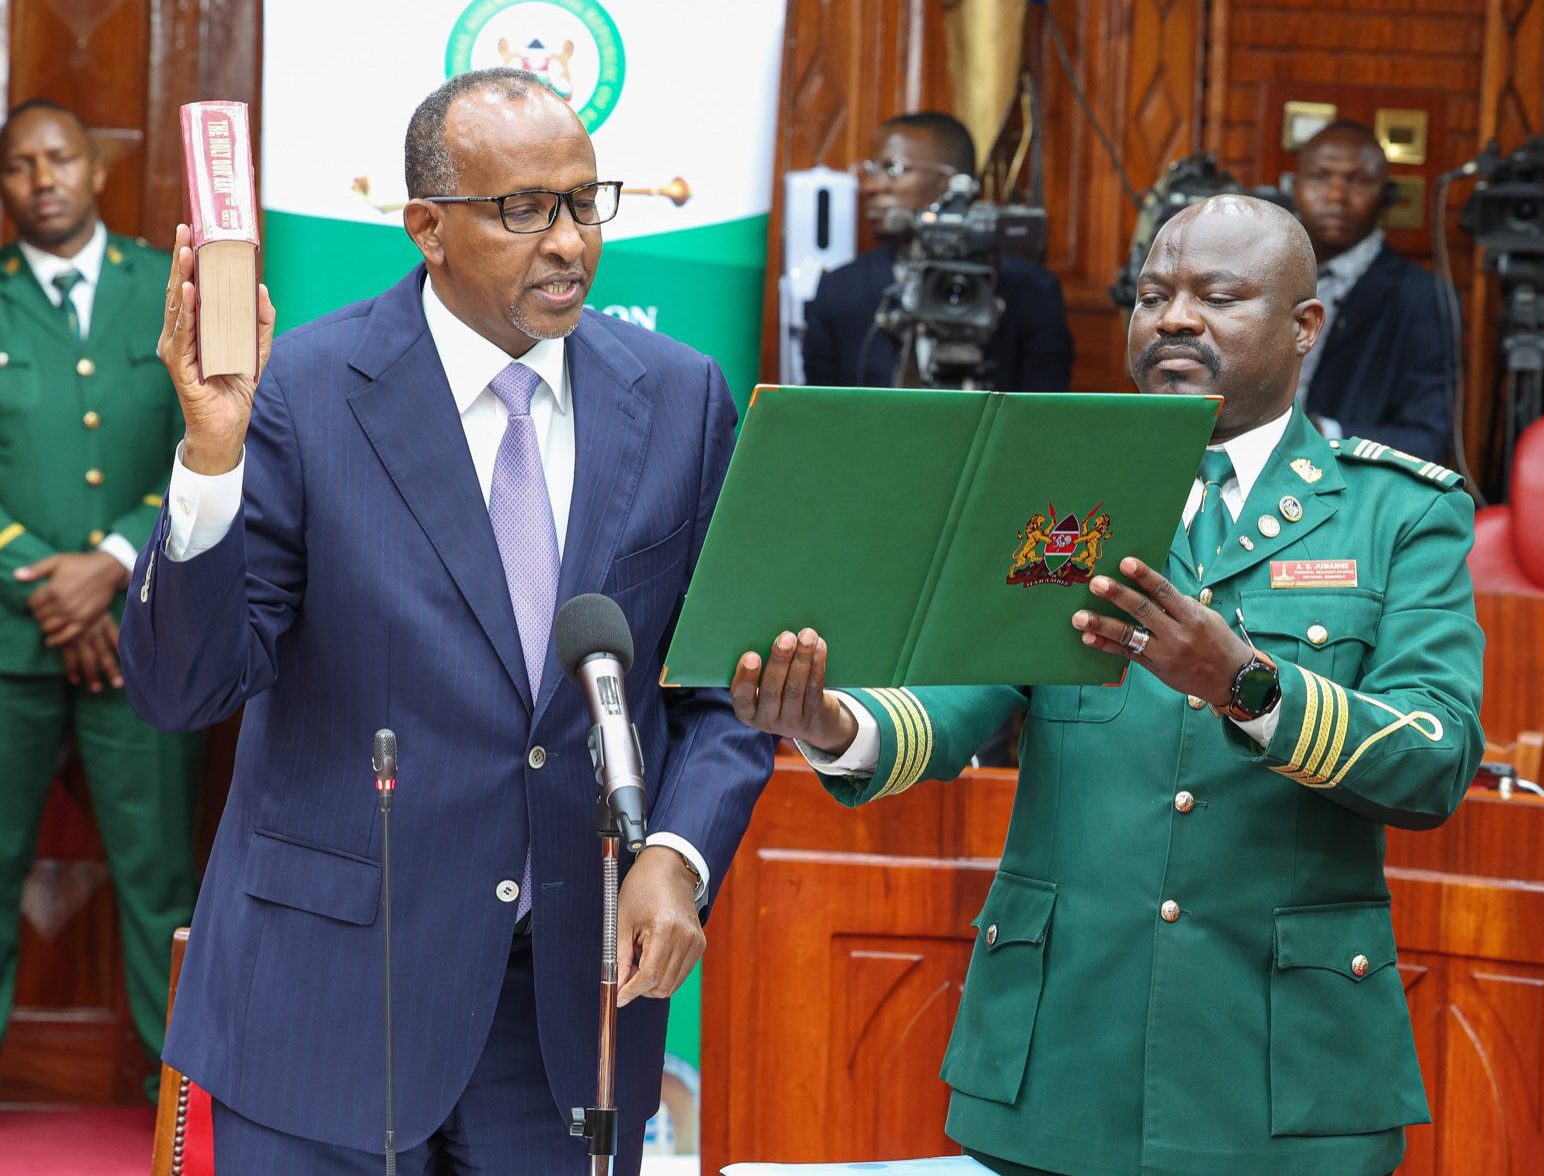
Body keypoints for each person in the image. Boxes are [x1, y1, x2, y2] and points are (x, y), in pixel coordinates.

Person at [732, 195, 1484, 1176]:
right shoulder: (1057, 491)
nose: (1174, 318)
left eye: (1217, 296)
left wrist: (1250, 688)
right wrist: (834, 723)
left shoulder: (1396, 512)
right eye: (1153, 294)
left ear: (1305, 327)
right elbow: (970, 690)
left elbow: (1434, 758)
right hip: (1065, 1051)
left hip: (1284, 1065)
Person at [119, 69, 773, 1174]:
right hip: (329, 1000)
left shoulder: (680, 396)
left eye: (583, 200)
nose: (567, 241)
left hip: (564, 1013)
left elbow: (718, 692)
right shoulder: (304, 389)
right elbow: (186, 686)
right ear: (426, 226)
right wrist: (212, 457)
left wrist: (677, 851)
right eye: (525, 209)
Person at [0, 98, 199, 1100]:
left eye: (60, 159)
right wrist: (48, 583)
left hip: (141, 637)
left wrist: (116, 558)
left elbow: (207, 442)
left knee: (163, 889)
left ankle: (181, 1128)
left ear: (95, 170)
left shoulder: (164, 288)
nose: (43, 179)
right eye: (21, 166)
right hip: (10, 646)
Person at [801, 111, 1074, 392]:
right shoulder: (841, 290)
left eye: (893, 169)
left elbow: (1042, 411)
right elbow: (819, 412)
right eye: (870, 170)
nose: (871, 186)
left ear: (949, 182)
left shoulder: (1031, 290)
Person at [1291, 120, 1454, 463]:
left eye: (1359, 181)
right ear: (1294, 186)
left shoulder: (1422, 298)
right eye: (1320, 177)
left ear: (1387, 197)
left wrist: (1326, 434)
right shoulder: (1259, 275)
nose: (1336, 195)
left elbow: (1427, 439)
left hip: (1350, 494)